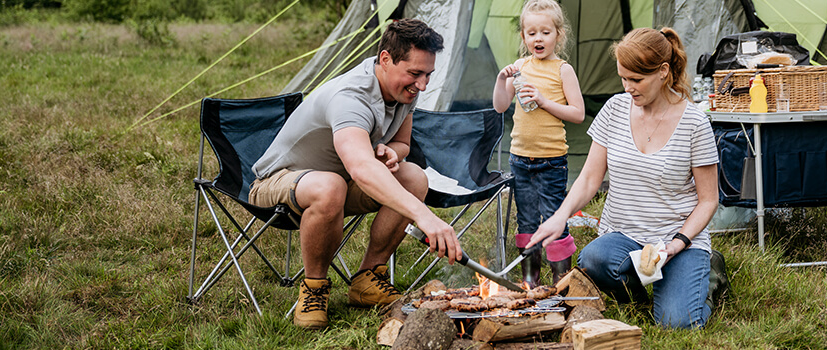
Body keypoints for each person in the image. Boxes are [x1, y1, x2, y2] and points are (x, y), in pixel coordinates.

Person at [249, 19, 463, 330]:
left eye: (428, 74)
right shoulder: (350, 97)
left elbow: (402, 143)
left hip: (339, 181)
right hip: (279, 180)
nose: (423, 85)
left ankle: (367, 279)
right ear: (386, 59)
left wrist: (394, 152)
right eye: (415, 74)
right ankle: (314, 289)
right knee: (330, 185)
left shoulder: (403, 91)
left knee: (414, 177)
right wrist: (425, 217)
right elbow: (361, 170)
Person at [524, 27, 719, 329]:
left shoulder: (695, 123)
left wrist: (678, 244)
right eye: (623, 78)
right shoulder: (614, 110)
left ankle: (706, 281)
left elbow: (709, 201)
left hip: (677, 240)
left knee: (677, 324)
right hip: (624, 238)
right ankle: (643, 297)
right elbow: (590, 178)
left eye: (636, 79)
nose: (628, 87)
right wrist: (559, 217)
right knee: (594, 259)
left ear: (663, 72)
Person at [491, 0, 586, 287]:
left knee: (556, 219)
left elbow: (578, 114)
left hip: (551, 161)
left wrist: (544, 101)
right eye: (531, 33)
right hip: (520, 159)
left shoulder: (562, 70)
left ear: (559, 34)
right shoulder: (519, 68)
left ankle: (561, 282)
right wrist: (500, 80)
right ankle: (529, 280)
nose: (538, 38)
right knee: (527, 221)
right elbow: (500, 106)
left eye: (545, 32)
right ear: (523, 37)